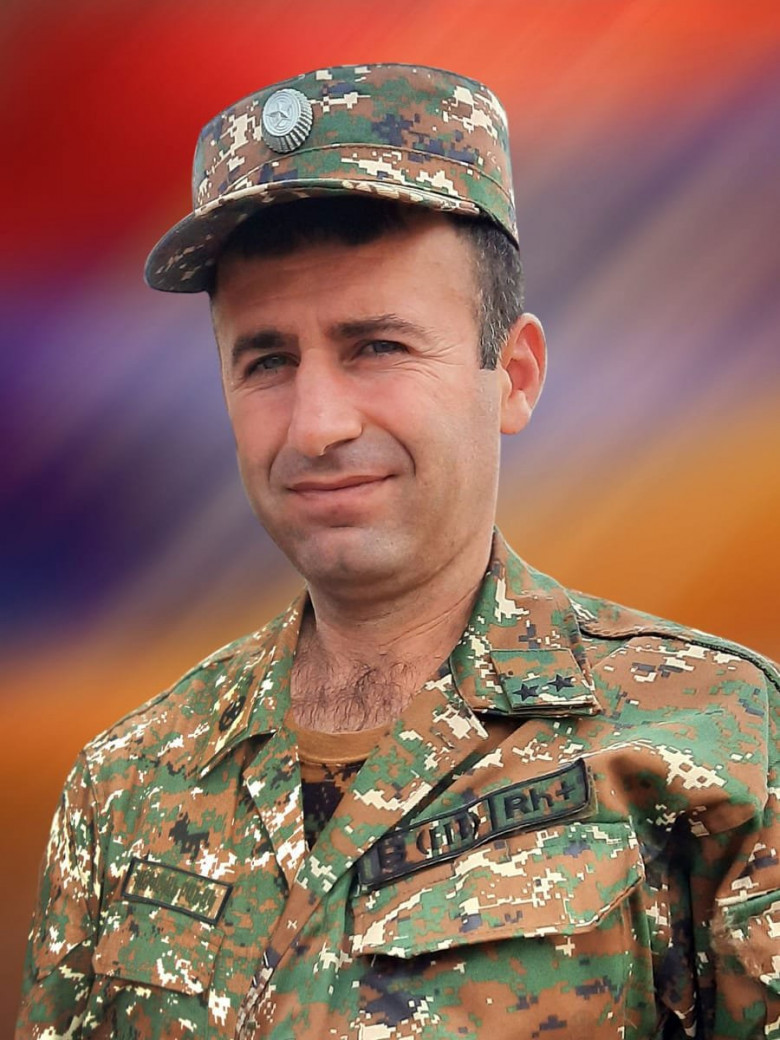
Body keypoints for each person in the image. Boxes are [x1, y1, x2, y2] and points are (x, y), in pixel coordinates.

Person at [16, 63, 779, 1040]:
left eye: (376, 346)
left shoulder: (723, 745)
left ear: (513, 376)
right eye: (267, 360)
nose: (318, 425)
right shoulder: (121, 789)